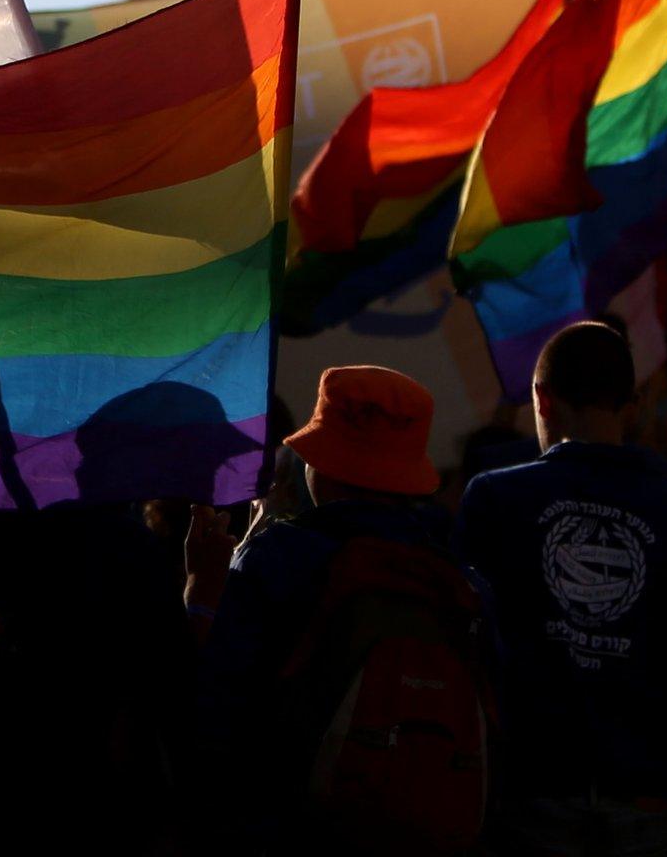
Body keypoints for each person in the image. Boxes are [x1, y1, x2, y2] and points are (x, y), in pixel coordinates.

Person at [458, 321, 667, 856]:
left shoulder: (493, 500)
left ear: (542, 401)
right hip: (657, 812)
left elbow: (463, 658)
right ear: (633, 404)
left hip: (528, 806)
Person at [190, 365, 490, 854]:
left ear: (320, 467)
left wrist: (202, 597)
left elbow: (215, 707)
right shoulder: (462, 583)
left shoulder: (274, 558)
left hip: (289, 826)